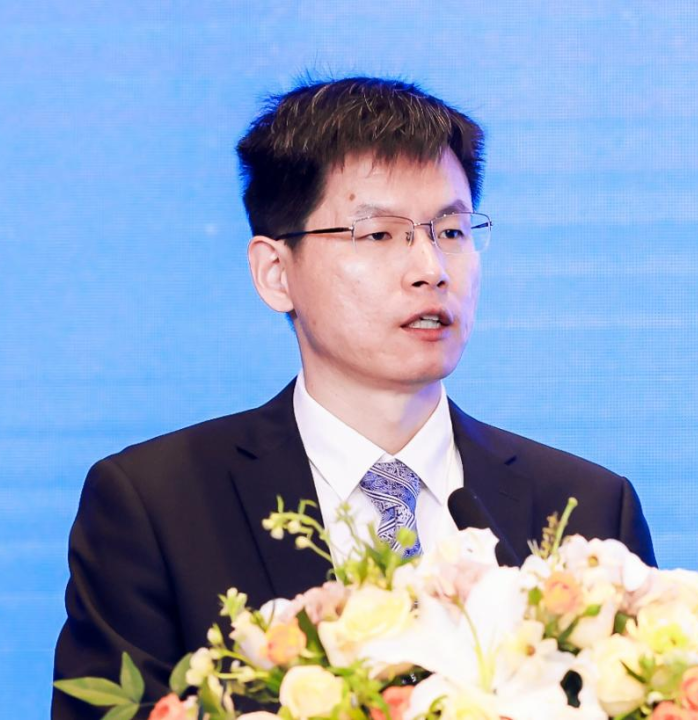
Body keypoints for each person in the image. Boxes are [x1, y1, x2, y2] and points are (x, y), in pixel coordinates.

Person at [52, 76, 655, 718]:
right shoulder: (155, 507)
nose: (431, 269)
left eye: (452, 231)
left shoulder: (588, 510)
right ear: (275, 272)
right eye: (379, 235)